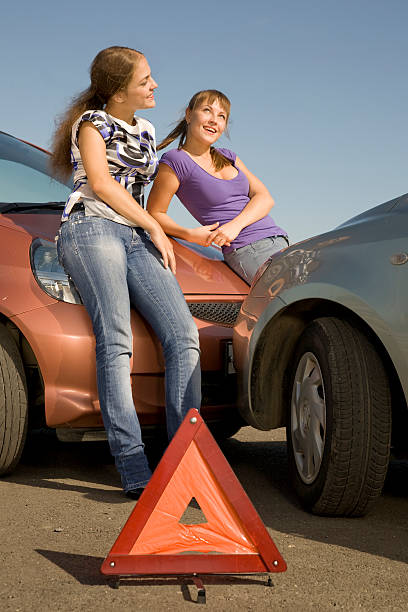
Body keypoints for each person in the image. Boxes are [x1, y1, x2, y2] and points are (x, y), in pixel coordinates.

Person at [50, 46, 201, 499]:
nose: (155, 85)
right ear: (118, 91)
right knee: (117, 341)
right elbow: (100, 183)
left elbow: (152, 187)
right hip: (91, 227)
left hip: (135, 235)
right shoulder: (92, 124)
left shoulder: (149, 130)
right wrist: (153, 224)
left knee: (184, 335)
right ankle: (134, 466)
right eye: (146, 79)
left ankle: (185, 461)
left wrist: (180, 229)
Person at [147, 89, 288, 284]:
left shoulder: (228, 156)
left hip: (279, 239)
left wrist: (234, 226)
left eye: (221, 116)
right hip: (248, 249)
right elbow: (154, 213)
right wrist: (189, 234)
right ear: (189, 114)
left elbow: (265, 198)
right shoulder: (176, 161)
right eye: (207, 110)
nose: (214, 120)